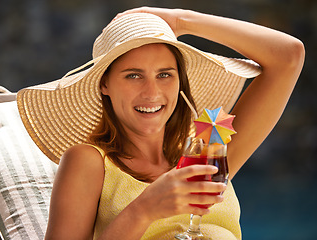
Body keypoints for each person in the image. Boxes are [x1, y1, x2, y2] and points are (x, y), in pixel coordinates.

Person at [17, 6, 304, 240]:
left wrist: (182, 20)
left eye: (165, 74)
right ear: (104, 84)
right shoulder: (89, 162)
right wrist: (143, 210)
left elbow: (290, 56)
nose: (152, 93)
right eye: (133, 75)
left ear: (180, 82)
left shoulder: (208, 153)